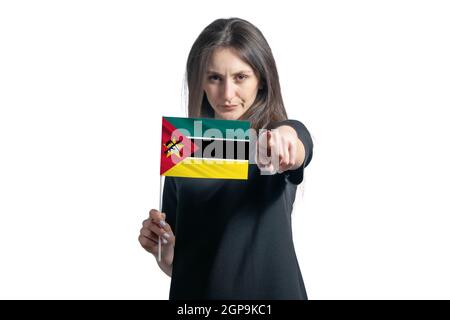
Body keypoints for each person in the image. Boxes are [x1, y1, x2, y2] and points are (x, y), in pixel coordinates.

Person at [138, 17, 314, 300]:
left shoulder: (273, 142)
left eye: (240, 77)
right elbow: (183, 262)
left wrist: (287, 139)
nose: (227, 94)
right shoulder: (183, 148)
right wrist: (166, 252)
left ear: (261, 80)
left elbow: (299, 143)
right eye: (215, 78)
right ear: (201, 81)